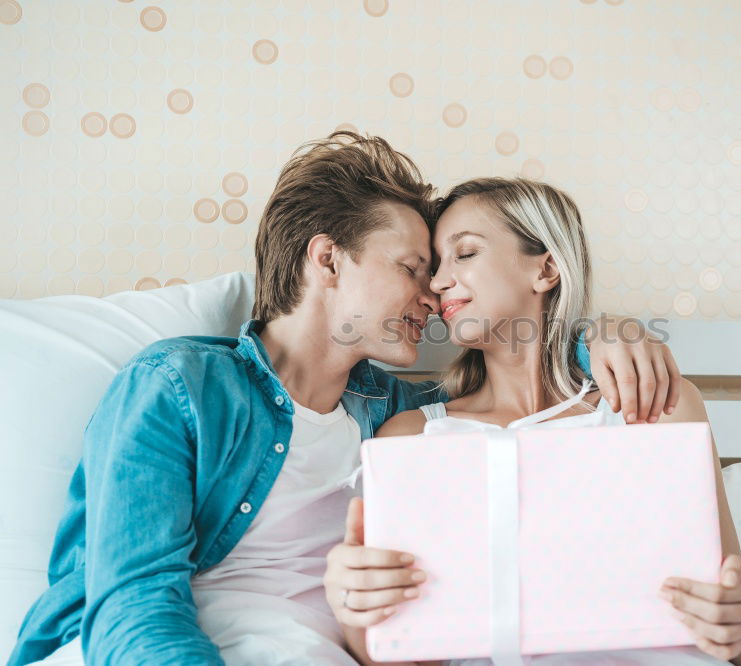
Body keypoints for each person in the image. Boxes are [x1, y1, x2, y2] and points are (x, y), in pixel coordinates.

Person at [9, 133, 684, 666]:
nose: (435, 295)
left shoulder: (395, 415)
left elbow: (516, 391)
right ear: (327, 260)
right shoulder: (179, 387)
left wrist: (597, 338)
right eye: (415, 268)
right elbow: (131, 606)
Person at [325, 178, 741, 666]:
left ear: (547, 268)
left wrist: (739, 619)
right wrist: (353, 609)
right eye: (435, 267)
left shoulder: (655, 406)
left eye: (466, 253)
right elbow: (397, 652)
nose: (436, 283)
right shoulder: (413, 436)